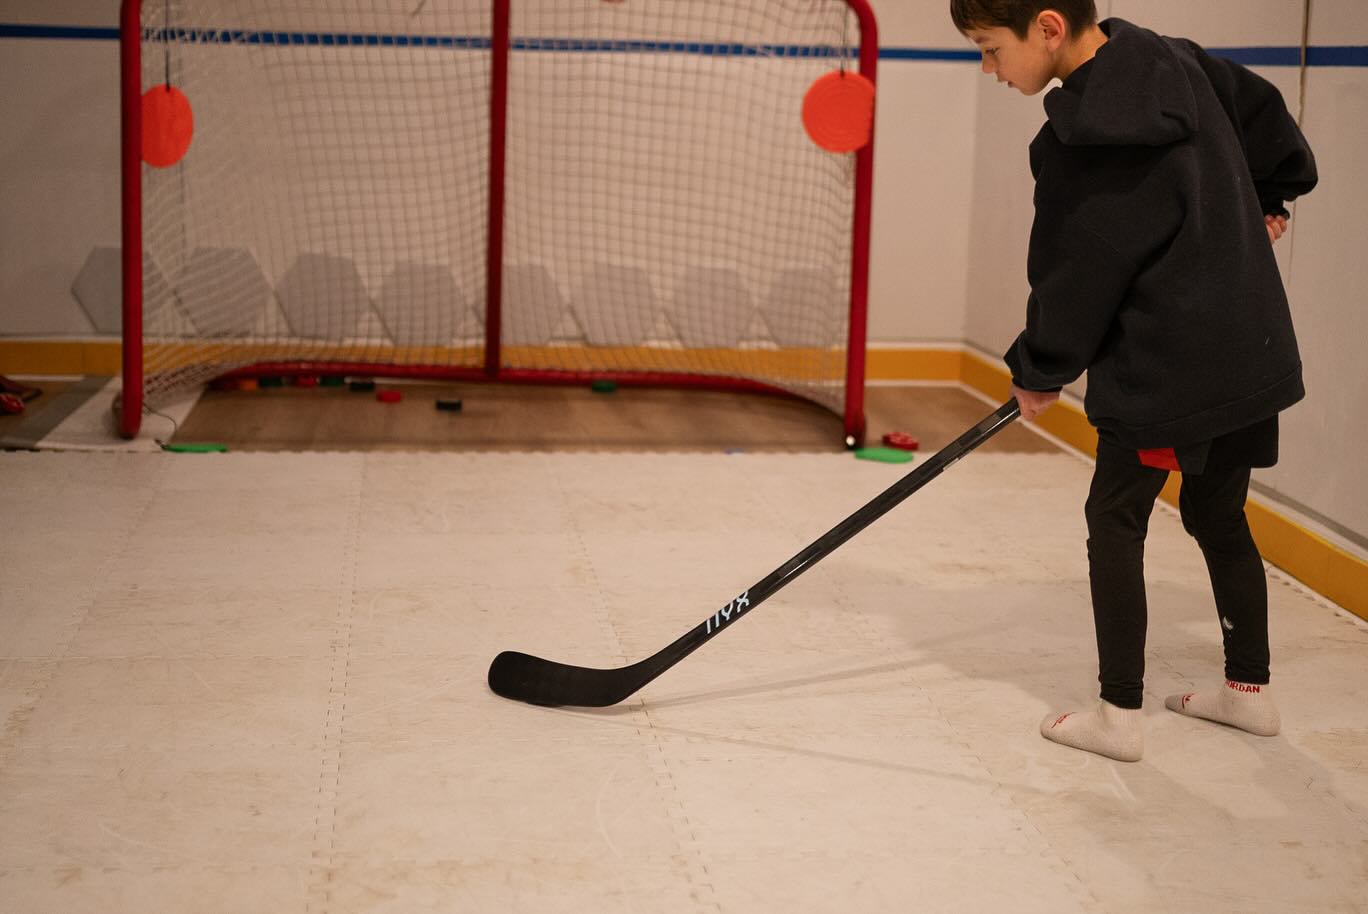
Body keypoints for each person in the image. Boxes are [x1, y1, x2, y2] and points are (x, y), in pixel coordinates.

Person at [950, 0, 1318, 761]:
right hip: (1249, 342)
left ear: (1048, 27)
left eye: (990, 49)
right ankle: (1249, 691)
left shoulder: (1077, 140)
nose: (989, 70)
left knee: (1116, 520)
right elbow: (1265, 111)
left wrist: (1039, 368)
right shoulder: (1174, 59)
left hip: (1166, 372)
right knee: (1219, 515)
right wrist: (1271, 191)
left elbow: (1077, 274)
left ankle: (1118, 714)